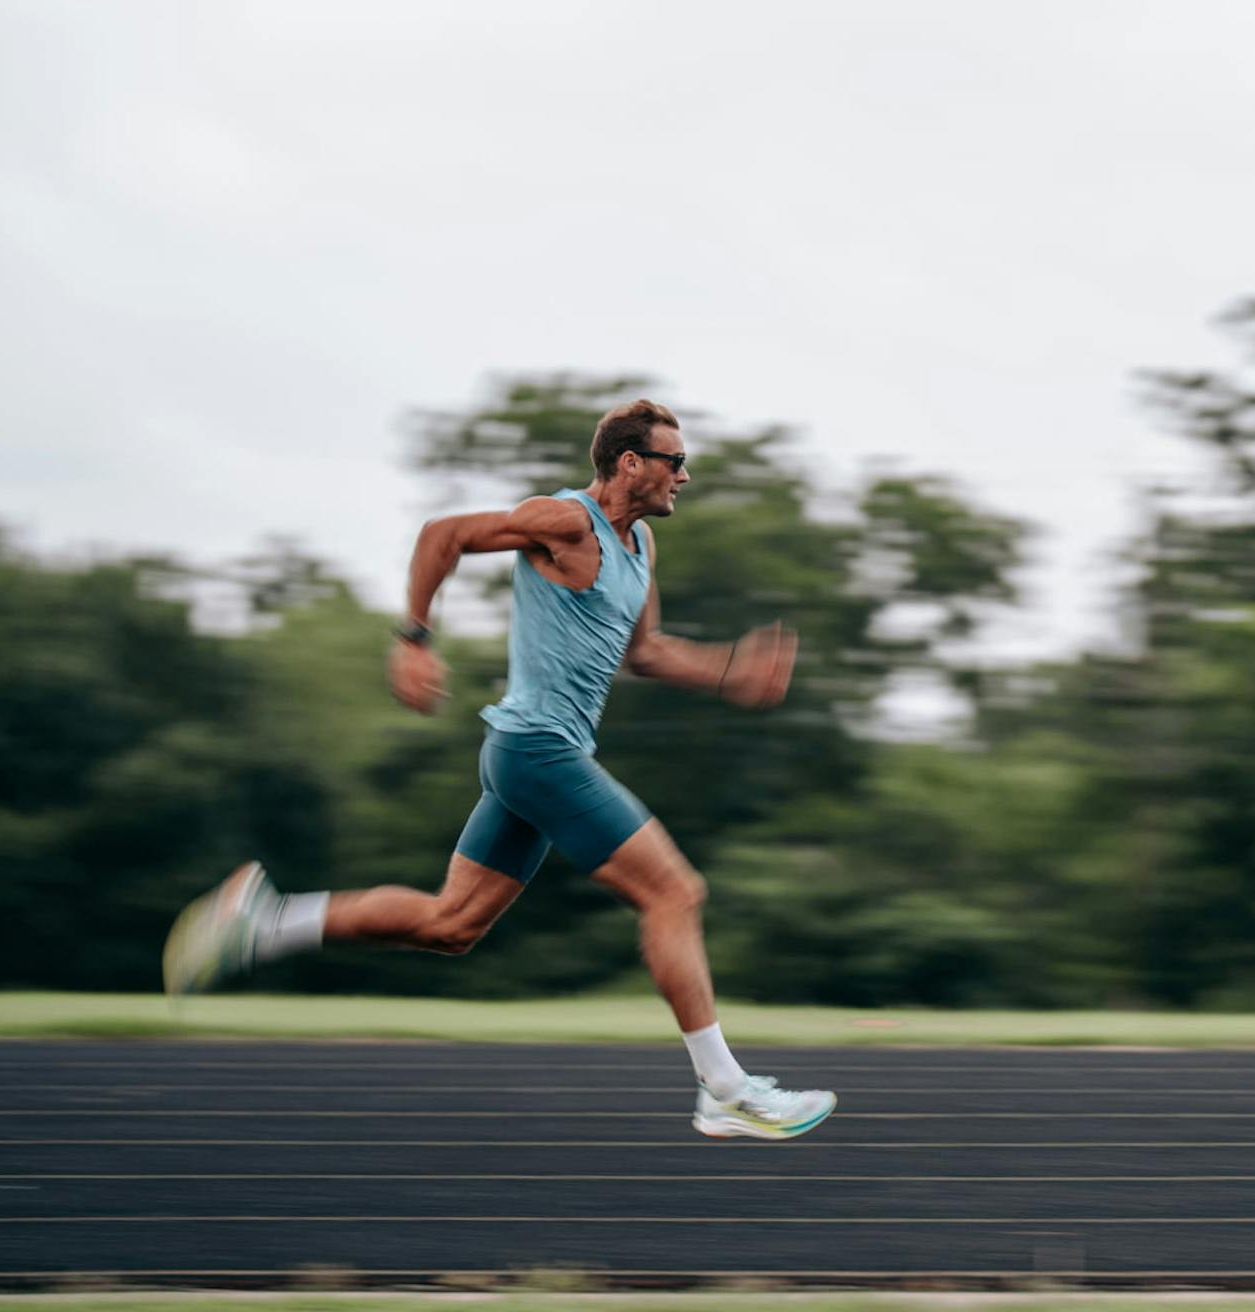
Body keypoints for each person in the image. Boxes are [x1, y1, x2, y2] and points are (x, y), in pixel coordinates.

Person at [164, 399, 834, 1141]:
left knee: (450, 925)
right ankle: (724, 1087)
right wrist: (414, 637)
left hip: (537, 757)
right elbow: (442, 534)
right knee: (673, 891)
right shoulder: (564, 520)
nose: (686, 473)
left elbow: (644, 650)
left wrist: (727, 671)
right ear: (630, 464)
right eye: (675, 460)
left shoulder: (639, 546)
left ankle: (263, 921)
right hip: (535, 750)